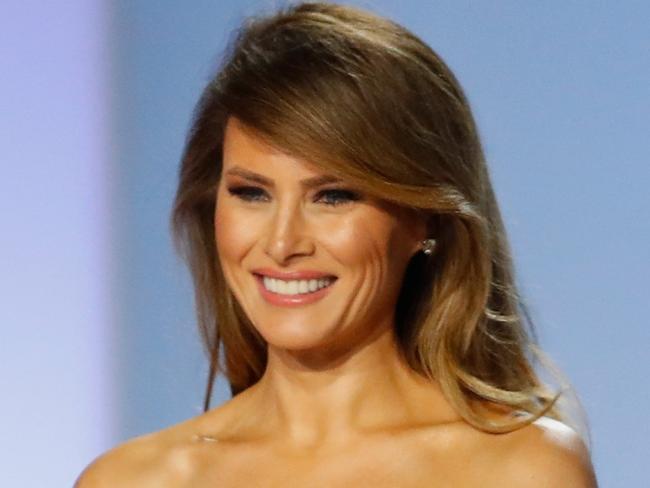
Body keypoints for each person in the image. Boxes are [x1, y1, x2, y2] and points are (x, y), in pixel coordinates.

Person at [76, 2, 598, 486]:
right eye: (251, 193)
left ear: (425, 221)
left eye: (333, 196)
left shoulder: (517, 469)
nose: (281, 243)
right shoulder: (134, 479)